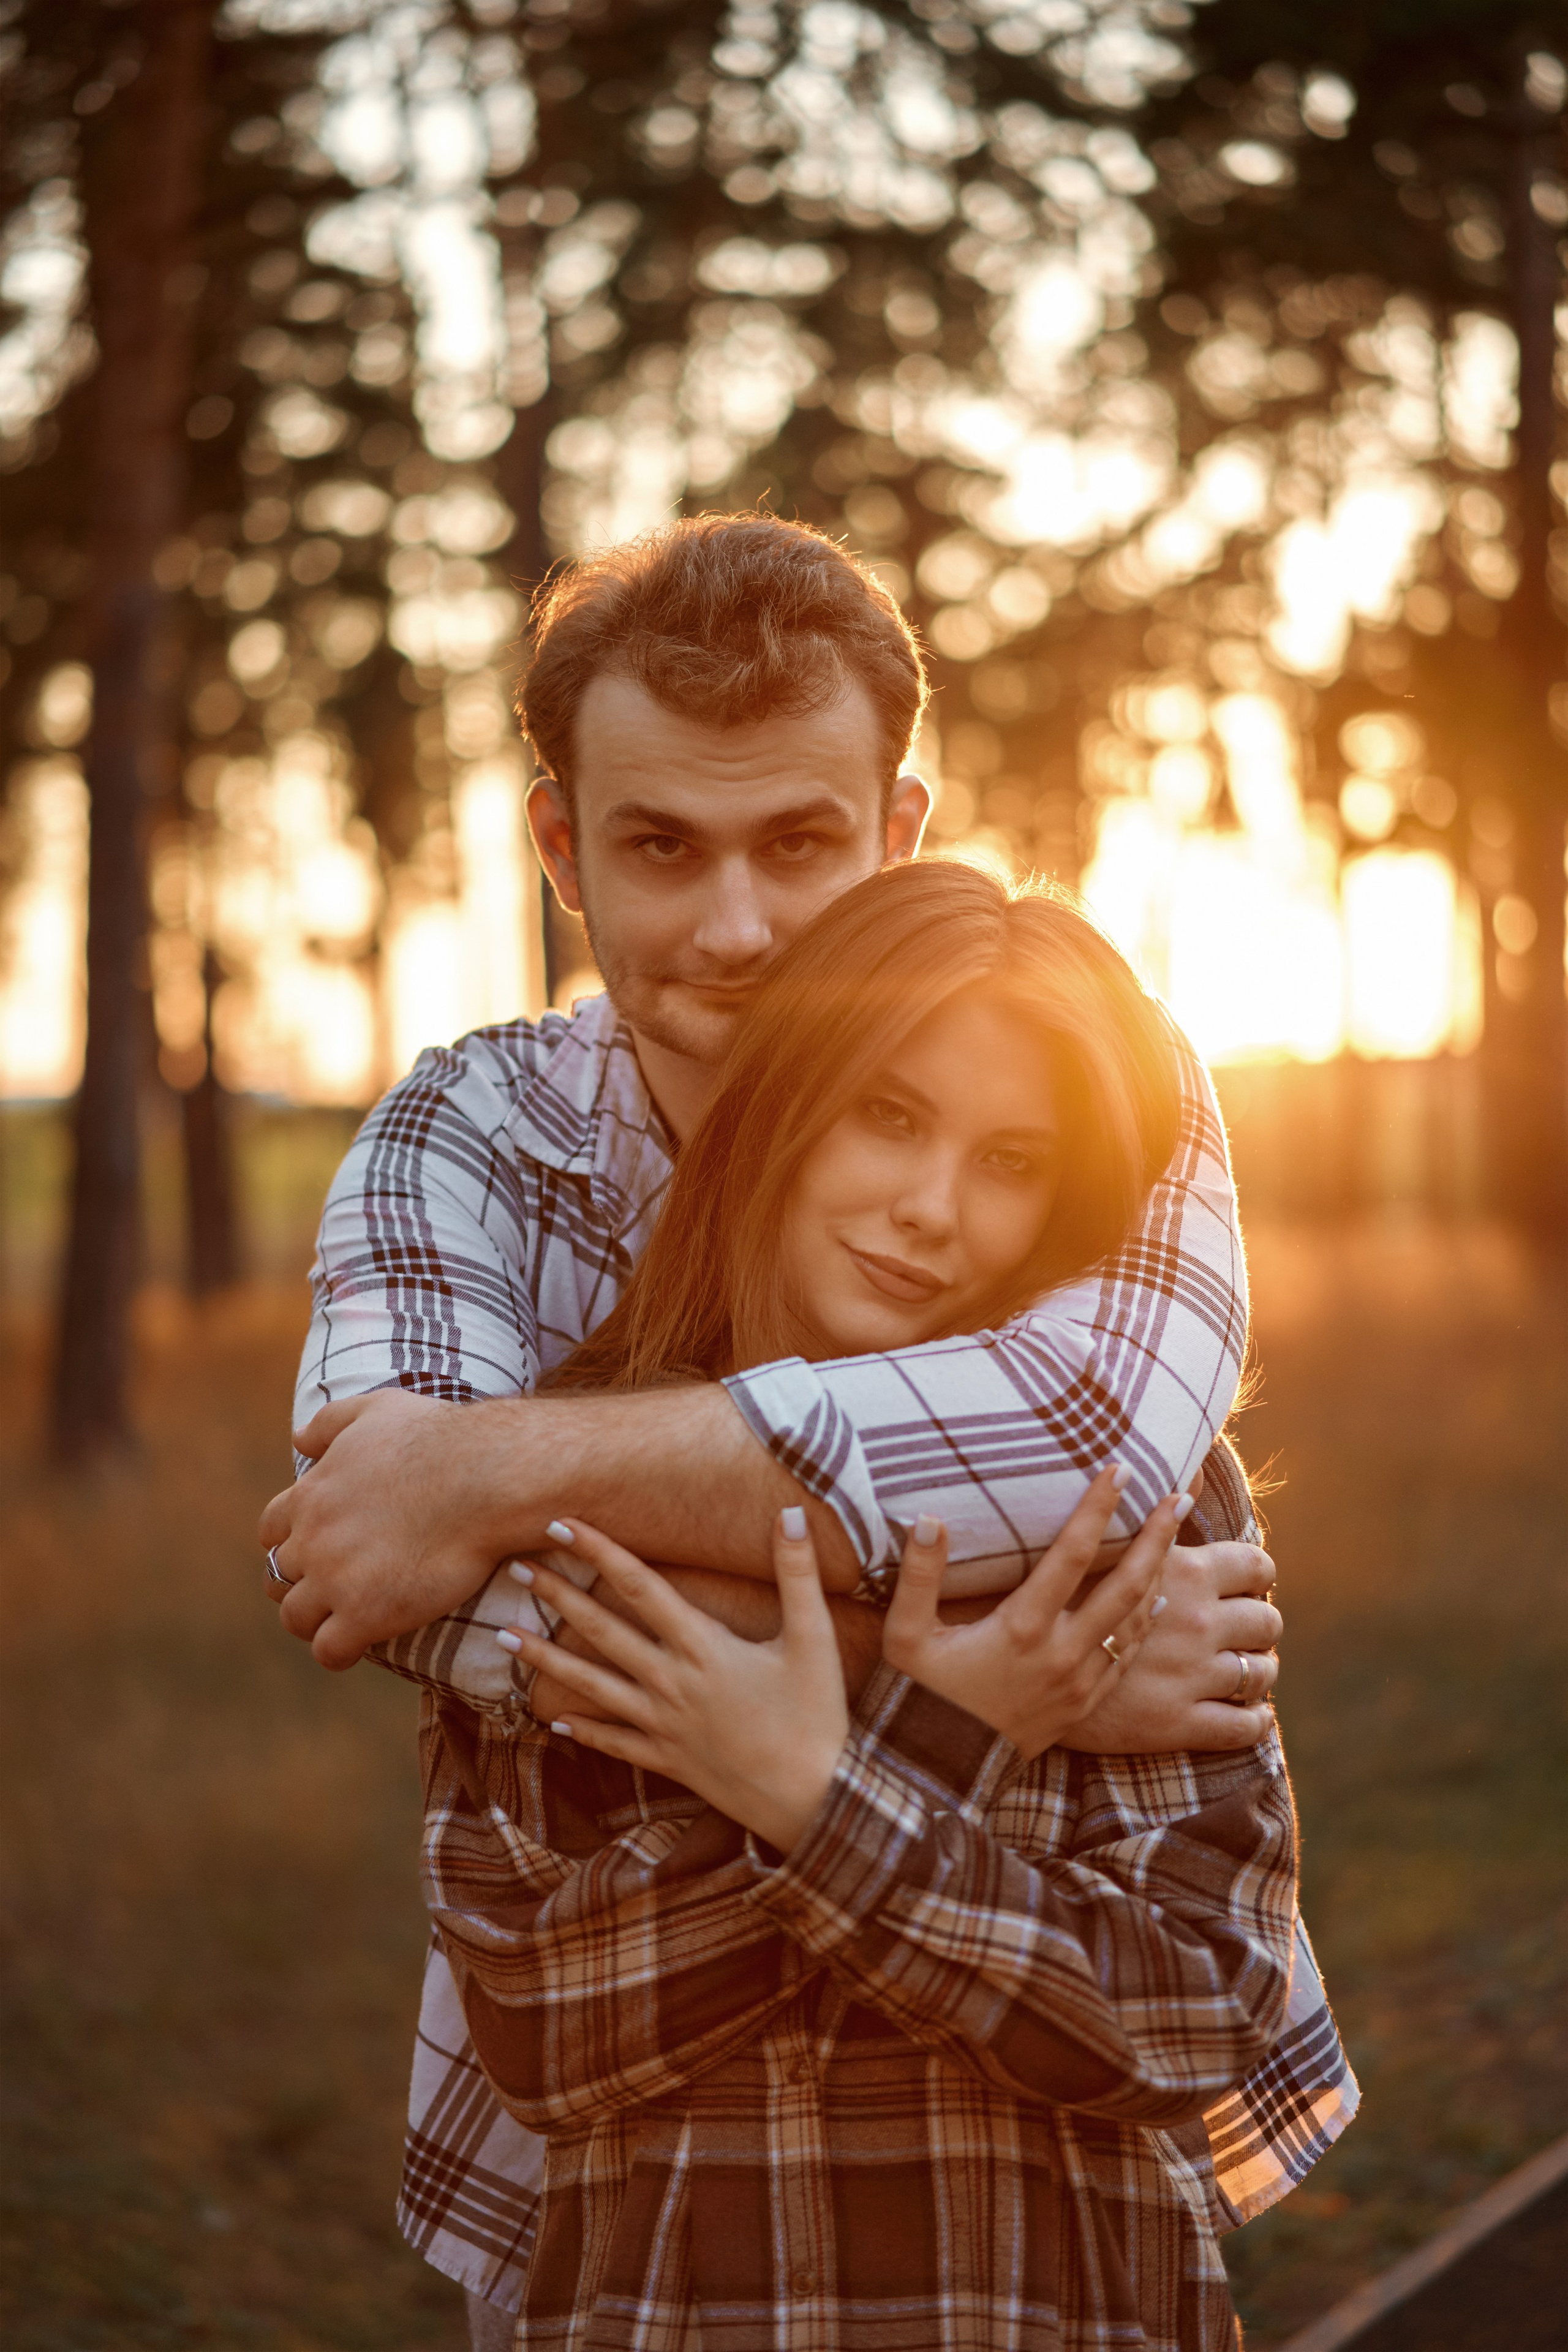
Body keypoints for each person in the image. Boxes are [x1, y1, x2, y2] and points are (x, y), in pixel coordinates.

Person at [257, 515, 1355, 2343]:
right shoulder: (464, 1141)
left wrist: (522, 1500)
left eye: (802, 844)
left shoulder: (1106, 1090)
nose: (742, 927)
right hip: (641, 2257)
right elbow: (396, 1564)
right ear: (562, 847)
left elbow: (1095, 1429)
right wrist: (989, 1680)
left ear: (899, 831)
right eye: (663, 848)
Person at [423, 861, 1300, 2350]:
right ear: (788, 1099)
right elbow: (546, 2024)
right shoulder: (568, 1459)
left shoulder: (1128, 1496)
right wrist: (940, 1735)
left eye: (1010, 1161)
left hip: (1057, 2307)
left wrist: (821, 1796)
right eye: (889, 1116)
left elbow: (1197, 2007)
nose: (930, 1210)